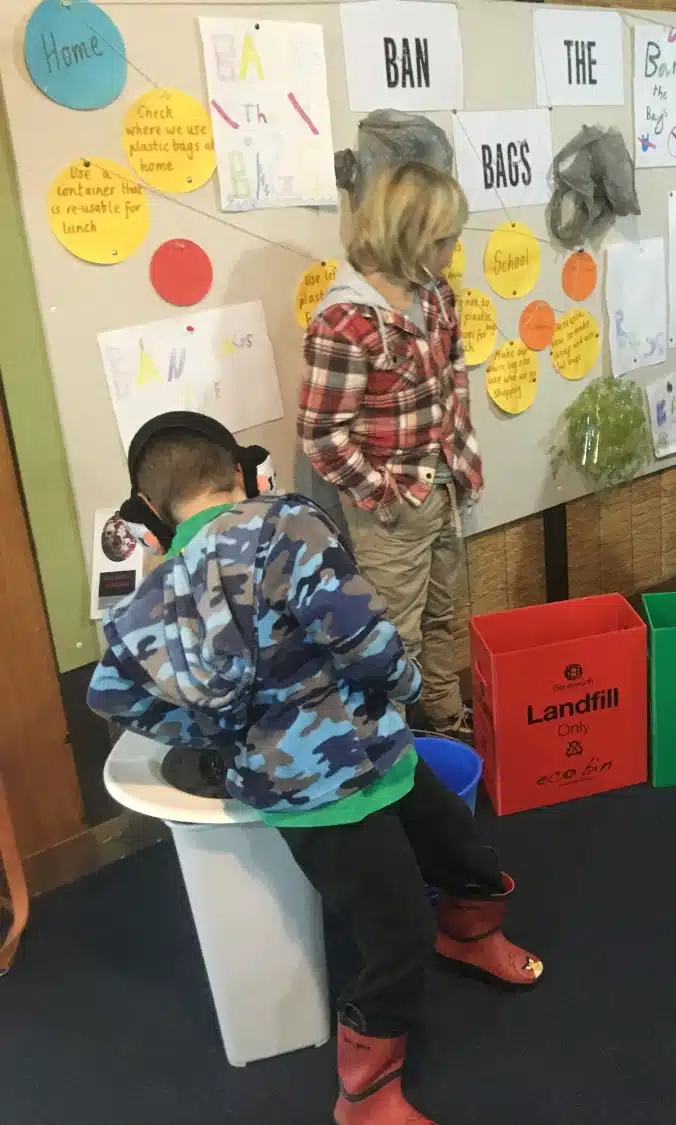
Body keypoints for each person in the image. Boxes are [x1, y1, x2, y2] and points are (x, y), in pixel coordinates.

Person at [88, 412, 541, 1125]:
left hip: (344, 766)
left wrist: (213, 731)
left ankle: (470, 931)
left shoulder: (152, 597)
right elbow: (363, 634)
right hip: (330, 780)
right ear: (240, 472)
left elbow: (113, 695)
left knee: (456, 853)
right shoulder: (287, 524)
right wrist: (410, 685)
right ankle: (365, 1095)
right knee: (397, 932)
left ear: (150, 509)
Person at [300, 160, 481, 740]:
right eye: (444, 240)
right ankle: (391, 745)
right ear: (409, 237)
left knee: (443, 614)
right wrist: (383, 496)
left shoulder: (434, 293)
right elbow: (321, 433)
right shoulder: (344, 321)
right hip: (391, 509)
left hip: (445, 485)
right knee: (392, 636)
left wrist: (463, 453)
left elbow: (454, 370)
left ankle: (444, 717)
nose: (452, 252)